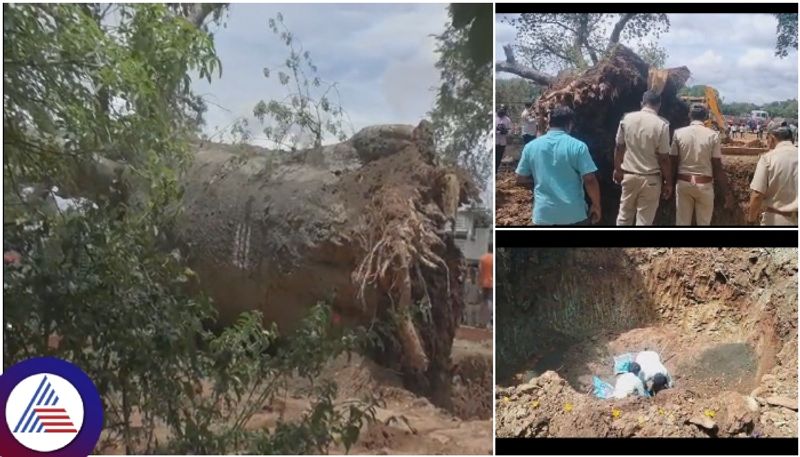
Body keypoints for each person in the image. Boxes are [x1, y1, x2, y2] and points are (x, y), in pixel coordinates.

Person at [515, 105, 602, 226]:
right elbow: (589, 179)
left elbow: (520, 179)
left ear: (549, 123)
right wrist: (596, 205)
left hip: (543, 214)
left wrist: (540, 182)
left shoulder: (530, 147)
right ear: (570, 124)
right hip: (574, 214)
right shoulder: (578, 146)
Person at [613, 90, 673, 226]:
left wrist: (617, 169)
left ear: (642, 103)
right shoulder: (662, 125)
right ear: (659, 105)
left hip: (629, 176)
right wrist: (668, 182)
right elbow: (664, 158)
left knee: (624, 215)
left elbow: (619, 147)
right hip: (651, 179)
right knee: (645, 221)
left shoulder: (626, 119)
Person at [669, 104, 734, 225]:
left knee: (682, 223)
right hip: (704, 184)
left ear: (690, 116)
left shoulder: (678, 134)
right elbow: (717, 167)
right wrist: (727, 193)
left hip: (683, 183)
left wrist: (668, 184)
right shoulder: (713, 136)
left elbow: (673, 162)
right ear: (706, 117)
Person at [748, 123, 798, 226]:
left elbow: (757, 195)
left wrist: (751, 221)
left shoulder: (768, 158)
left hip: (776, 220)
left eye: (767, 137)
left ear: (772, 137)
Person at [478, 245, 493, 329]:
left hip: (483, 283)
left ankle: (481, 322)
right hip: (491, 283)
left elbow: (479, 271)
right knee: (490, 302)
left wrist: (479, 282)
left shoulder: (482, 258)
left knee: (483, 302)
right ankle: (487, 323)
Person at [495, 105, 512, 171]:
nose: (501, 112)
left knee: (498, 158)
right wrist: (497, 131)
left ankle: (496, 171)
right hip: (494, 141)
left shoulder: (507, 120)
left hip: (502, 142)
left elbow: (510, 130)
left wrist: (506, 131)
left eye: (503, 110)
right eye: (500, 110)